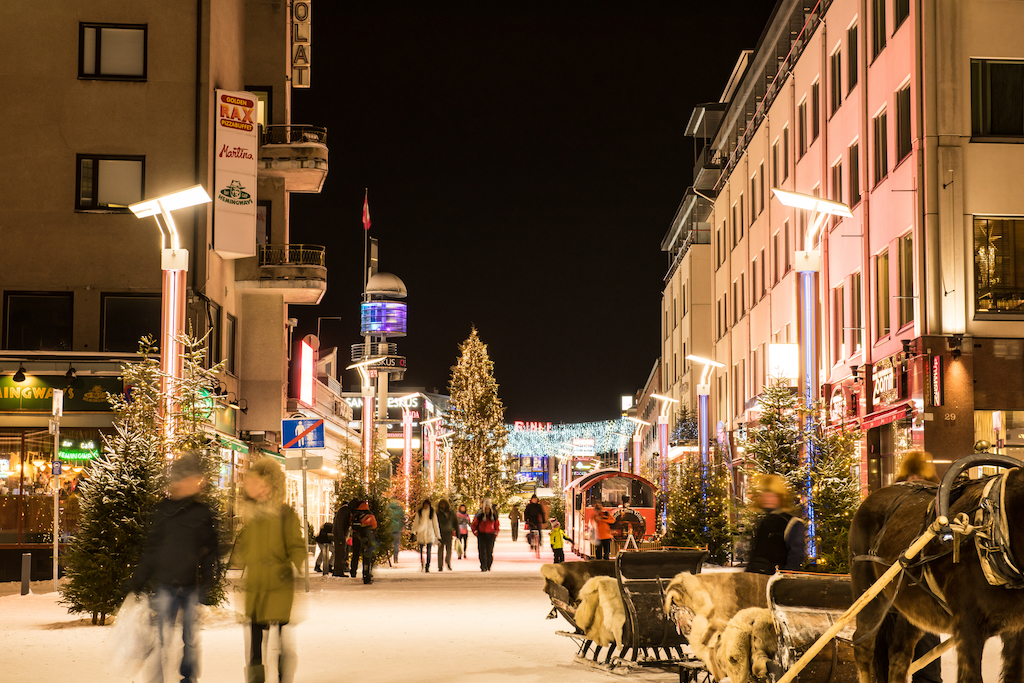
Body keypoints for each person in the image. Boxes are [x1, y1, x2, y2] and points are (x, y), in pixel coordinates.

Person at [128, 451, 218, 683]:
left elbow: (210, 550)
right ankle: (157, 678)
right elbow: (152, 548)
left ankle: (188, 677)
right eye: (186, 478)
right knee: (160, 638)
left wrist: (207, 583)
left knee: (189, 639)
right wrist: (138, 581)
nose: (191, 483)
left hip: (190, 585)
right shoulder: (163, 510)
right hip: (166, 584)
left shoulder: (201, 512)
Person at [231, 457, 306, 683]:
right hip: (256, 586)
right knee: (255, 642)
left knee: (280, 637)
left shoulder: (284, 514)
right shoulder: (252, 515)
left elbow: (296, 544)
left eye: (261, 484)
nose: (257, 489)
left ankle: (284, 674)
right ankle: (256, 678)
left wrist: (295, 562)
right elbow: (248, 547)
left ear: (271, 486)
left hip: (279, 584)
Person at [894, 452, 942, 683]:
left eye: (919, 477)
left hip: (926, 586)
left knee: (926, 641)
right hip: (898, 585)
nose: (915, 481)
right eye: (911, 477)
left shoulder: (938, 505)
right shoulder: (894, 503)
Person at [745, 474, 806, 575]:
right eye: (765, 494)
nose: (768, 499)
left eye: (772, 495)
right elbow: (754, 555)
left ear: (780, 497)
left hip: (778, 581)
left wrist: (786, 578)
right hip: (758, 580)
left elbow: (795, 558)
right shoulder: (763, 522)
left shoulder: (792, 524)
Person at [349, 500, 378, 584]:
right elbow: (374, 525)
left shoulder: (355, 513)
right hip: (366, 537)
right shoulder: (369, 513)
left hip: (356, 536)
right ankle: (366, 573)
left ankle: (353, 571)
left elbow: (351, 523)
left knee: (355, 554)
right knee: (367, 555)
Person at [412, 498, 440, 572]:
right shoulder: (420, 512)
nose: (426, 506)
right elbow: (416, 522)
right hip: (421, 533)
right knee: (421, 551)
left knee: (429, 550)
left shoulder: (432, 513)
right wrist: (414, 531)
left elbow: (435, 524)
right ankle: (422, 563)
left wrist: (438, 535)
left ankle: (427, 565)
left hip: (429, 533)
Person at [471, 498, 500, 571]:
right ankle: (483, 565)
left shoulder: (493, 515)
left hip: (490, 535)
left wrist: (495, 533)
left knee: (489, 551)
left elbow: (497, 524)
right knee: (482, 551)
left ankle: (488, 565)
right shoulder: (479, 515)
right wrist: (476, 532)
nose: (487, 510)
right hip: (481, 535)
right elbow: (474, 524)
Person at [435, 499, 458, 571]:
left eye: (444, 504)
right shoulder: (437, 513)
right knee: (440, 549)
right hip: (440, 533)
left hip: (448, 532)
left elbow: (455, 522)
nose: (443, 506)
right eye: (441, 504)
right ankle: (440, 566)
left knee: (449, 549)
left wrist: (457, 532)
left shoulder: (451, 512)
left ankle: (448, 561)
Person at [331, 499, 352, 577]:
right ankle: (338, 571)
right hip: (340, 536)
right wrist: (341, 537)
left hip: (340, 535)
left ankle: (338, 570)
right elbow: (340, 525)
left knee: (340, 553)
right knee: (340, 553)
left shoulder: (343, 510)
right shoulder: (345, 511)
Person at [387, 499, 405, 564]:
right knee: (396, 543)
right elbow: (403, 518)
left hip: (390, 528)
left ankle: (389, 556)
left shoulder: (388, 509)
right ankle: (395, 557)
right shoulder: (400, 510)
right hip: (397, 528)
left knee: (389, 543)